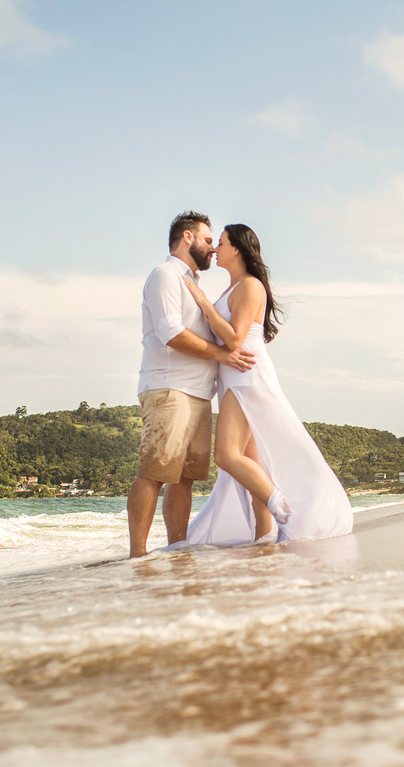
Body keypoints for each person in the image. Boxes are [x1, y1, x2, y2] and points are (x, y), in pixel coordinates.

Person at [179, 223, 353, 546]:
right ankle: (264, 534)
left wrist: (203, 302)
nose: (215, 248)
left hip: (246, 376)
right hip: (232, 377)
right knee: (251, 461)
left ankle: (283, 510)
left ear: (238, 250)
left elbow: (234, 338)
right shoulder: (232, 289)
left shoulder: (250, 286)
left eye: (221, 242)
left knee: (226, 455)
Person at [126, 212, 256, 558]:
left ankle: (177, 548)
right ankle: (137, 554)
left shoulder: (192, 282)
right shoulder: (165, 275)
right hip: (171, 389)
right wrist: (221, 355)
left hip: (199, 394)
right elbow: (170, 333)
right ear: (187, 237)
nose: (213, 248)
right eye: (208, 239)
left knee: (184, 479)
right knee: (154, 472)